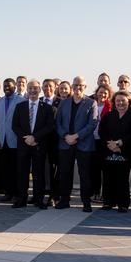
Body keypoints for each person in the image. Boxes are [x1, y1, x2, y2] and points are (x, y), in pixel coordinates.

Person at [11, 80, 55, 209]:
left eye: (35, 88)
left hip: (38, 145)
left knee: (38, 173)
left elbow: (49, 126)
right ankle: (21, 199)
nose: (33, 91)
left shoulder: (46, 108)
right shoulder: (20, 106)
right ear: (27, 90)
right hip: (23, 145)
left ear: (39, 90)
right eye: (30, 88)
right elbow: (15, 126)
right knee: (22, 173)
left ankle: (38, 199)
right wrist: (26, 138)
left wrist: (35, 137)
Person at [54, 77, 93, 211]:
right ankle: (64, 200)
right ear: (72, 86)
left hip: (83, 144)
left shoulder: (91, 103)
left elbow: (92, 124)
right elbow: (58, 122)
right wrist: (65, 136)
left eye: (81, 85)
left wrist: (76, 136)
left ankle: (86, 202)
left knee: (84, 174)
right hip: (65, 143)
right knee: (65, 173)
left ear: (85, 87)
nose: (78, 88)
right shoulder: (64, 103)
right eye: (75, 85)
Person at [97, 91, 131, 211]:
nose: (120, 103)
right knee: (107, 177)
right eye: (118, 101)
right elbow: (102, 132)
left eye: (123, 101)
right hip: (108, 150)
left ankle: (123, 204)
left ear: (128, 102)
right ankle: (108, 202)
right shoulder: (108, 116)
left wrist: (119, 143)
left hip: (125, 151)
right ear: (114, 102)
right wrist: (111, 143)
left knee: (123, 179)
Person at [0, 78, 23, 204]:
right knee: (5, 169)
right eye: (4, 86)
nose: (6, 88)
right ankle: (8, 193)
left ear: (14, 87)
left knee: (16, 169)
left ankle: (17, 193)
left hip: (15, 140)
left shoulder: (21, 101)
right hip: (2, 140)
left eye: (9, 86)